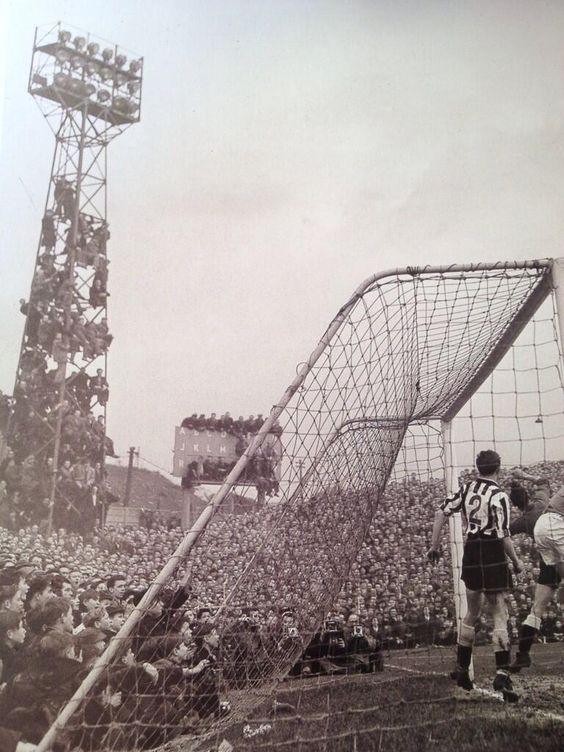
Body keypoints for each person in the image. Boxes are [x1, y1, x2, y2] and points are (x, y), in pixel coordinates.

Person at [427, 449, 522, 701]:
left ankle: (461, 668)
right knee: (499, 612)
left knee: (471, 612)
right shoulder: (499, 495)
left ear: (478, 467)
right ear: (498, 468)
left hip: (471, 551)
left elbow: (440, 513)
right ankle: (501, 672)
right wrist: (516, 561)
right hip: (491, 552)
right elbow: (503, 535)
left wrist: (435, 546)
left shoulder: (467, 488)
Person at [509, 470, 563, 671]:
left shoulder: (522, 520)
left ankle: (523, 655)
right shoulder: (541, 500)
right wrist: (524, 475)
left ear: (516, 505)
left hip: (548, 557)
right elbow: (543, 480)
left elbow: (505, 533)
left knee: (537, 608)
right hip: (558, 543)